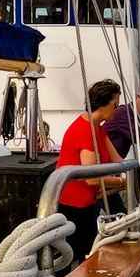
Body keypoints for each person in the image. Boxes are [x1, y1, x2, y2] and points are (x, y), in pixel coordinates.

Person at [55, 80, 129, 265]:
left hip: (88, 203)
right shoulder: (85, 131)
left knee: (87, 251)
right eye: (115, 104)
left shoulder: (98, 128)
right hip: (74, 206)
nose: (117, 108)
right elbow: (92, 179)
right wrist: (123, 183)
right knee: (79, 255)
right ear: (103, 104)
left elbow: (118, 160)